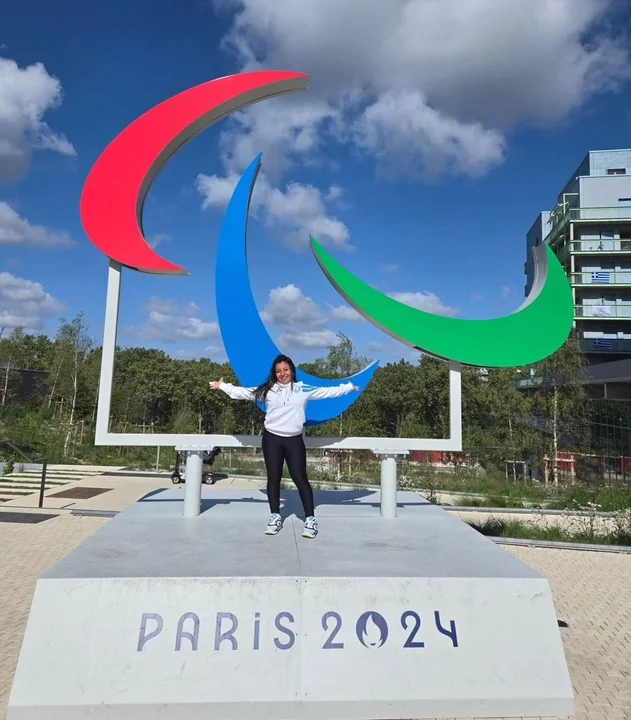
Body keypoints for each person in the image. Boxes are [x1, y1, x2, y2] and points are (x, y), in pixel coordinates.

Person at [209, 354, 358, 539]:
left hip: (294, 440)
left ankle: (310, 519)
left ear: (292, 371)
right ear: (274, 373)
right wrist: (222, 386)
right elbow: (244, 393)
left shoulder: (302, 388)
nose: (282, 374)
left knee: (300, 478)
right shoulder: (268, 390)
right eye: (278, 371)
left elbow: (327, 391)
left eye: (285, 370)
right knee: (274, 478)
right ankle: (275, 516)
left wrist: (349, 387)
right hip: (272, 439)